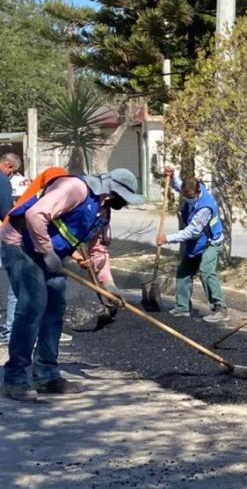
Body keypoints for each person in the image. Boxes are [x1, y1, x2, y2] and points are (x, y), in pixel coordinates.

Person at [0, 168, 143, 402]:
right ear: (112, 192)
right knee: (32, 307)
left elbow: (98, 249)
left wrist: (109, 285)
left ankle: (46, 375)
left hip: (48, 253)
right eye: (124, 199)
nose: (125, 204)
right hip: (20, 244)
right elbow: (35, 215)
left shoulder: (102, 212)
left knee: (55, 309)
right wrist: (47, 253)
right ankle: (15, 377)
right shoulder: (74, 188)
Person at [1, 167, 68, 345]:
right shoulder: (41, 194)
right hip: (15, 239)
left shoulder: (49, 194)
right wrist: (47, 252)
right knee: (23, 293)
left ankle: (19, 331)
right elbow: (28, 219)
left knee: (24, 293)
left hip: (23, 239)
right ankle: (11, 331)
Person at [156, 166, 228, 323]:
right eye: (185, 195)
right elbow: (179, 186)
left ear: (197, 192)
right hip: (197, 242)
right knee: (183, 270)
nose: (186, 198)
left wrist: (167, 238)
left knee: (206, 271)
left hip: (211, 242)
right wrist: (173, 176)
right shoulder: (191, 189)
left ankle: (220, 308)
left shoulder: (205, 206)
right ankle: (182, 308)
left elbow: (192, 232)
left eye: (189, 196)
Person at [0, 153, 21, 344]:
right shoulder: (2, 179)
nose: (11, 174)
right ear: (8, 165)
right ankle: (11, 331)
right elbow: (5, 211)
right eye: (11, 170)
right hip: (4, 238)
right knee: (16, 281)